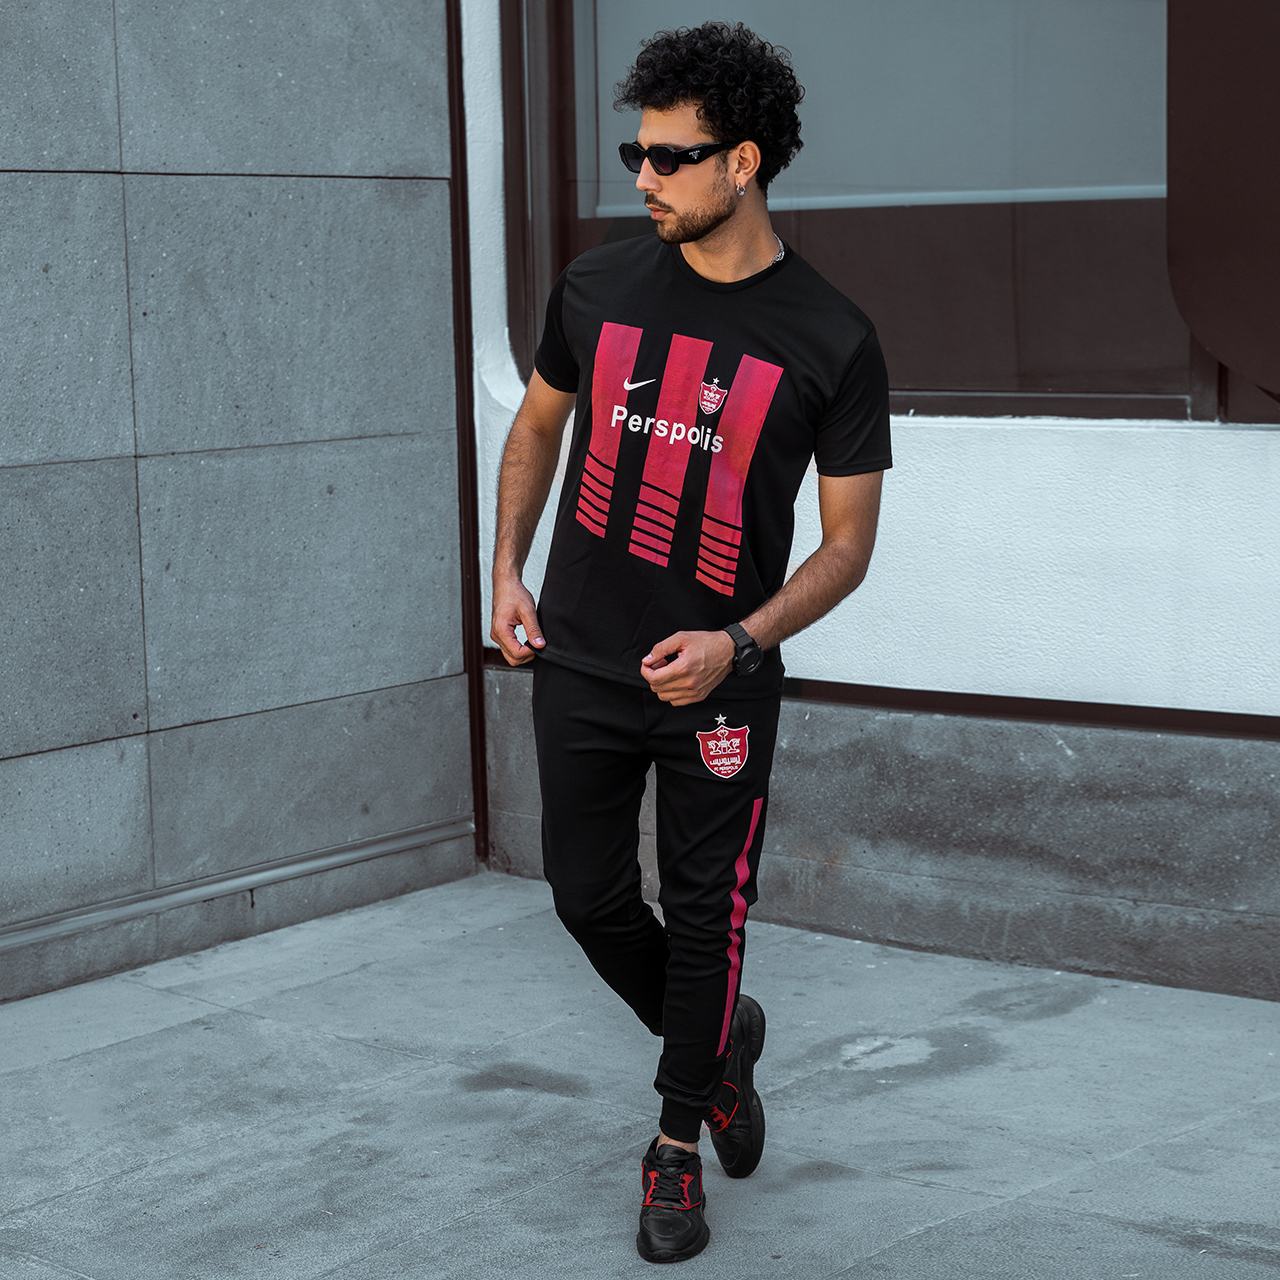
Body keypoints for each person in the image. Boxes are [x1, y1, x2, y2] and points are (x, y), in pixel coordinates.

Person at [490, 20, 891, 1265]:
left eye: (669, 157)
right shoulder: (595, 287)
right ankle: (723, 1049)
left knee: (707, 911)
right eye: (636, 153)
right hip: (578, 655)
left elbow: (846, 546)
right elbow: (537, 428)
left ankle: (676, 1139)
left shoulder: (831, 336)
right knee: (586, 896)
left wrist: (737, 642)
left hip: (719, 681)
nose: (643, 178)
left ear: (743, 163)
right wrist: (504, 567)